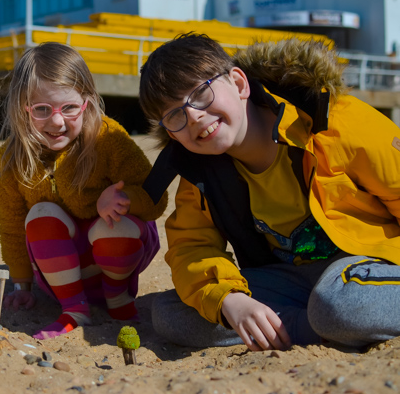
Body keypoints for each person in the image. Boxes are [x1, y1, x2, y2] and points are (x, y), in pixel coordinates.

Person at [138, 33, 400, 351]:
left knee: (340, 304)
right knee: (170, 312)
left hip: (366, 268)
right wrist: (231, 300)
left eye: (201, 94)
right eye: (175, 115)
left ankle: (326, 323)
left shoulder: (331, 121)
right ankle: (313, 328)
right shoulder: (198, 172)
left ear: (238, 84)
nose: (193, 116)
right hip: (289, 281)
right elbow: (191, 248)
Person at [0, 42, 168, 340]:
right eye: (42, 109)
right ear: (22, 108)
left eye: (70, 108)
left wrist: (122, 200)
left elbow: (156, 198)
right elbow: (10, 225)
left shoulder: (108, 137)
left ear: (87, 102)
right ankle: (74, 309)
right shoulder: (13, 157)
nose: (57, 121)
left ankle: (118, 298)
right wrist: (22, 286)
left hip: (119, 262)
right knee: (40, 213)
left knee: (114, 225)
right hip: (61, 276)